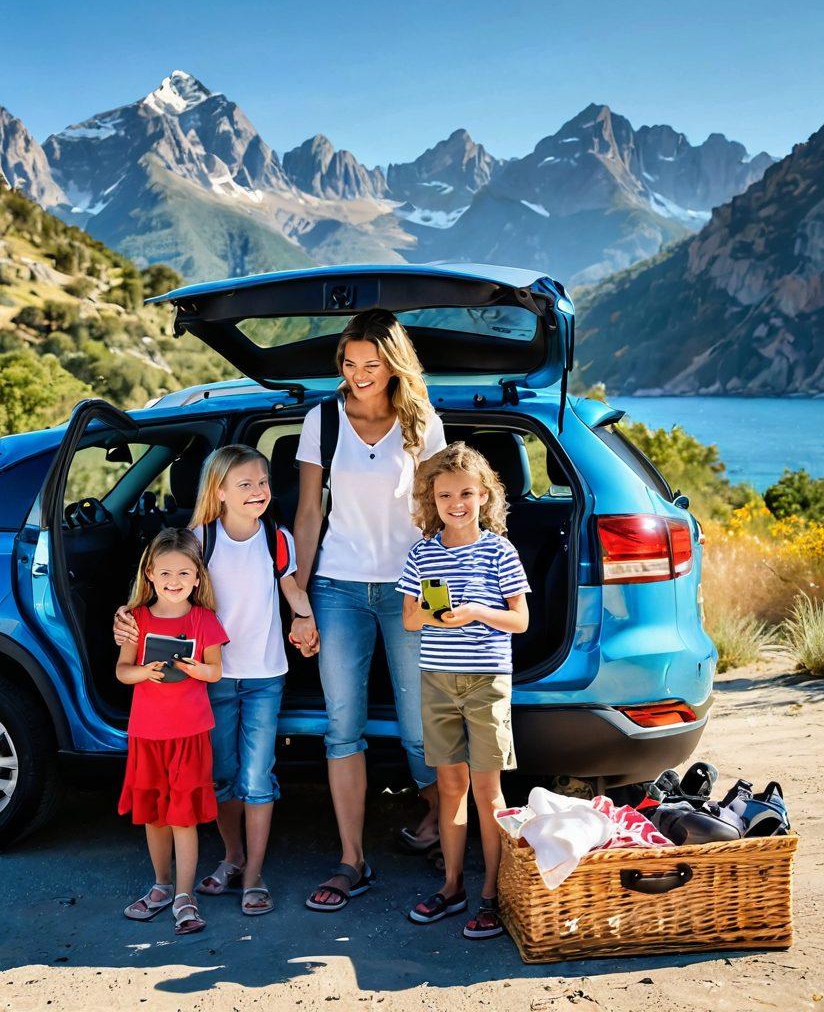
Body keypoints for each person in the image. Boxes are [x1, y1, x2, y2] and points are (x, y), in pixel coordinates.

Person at [115, 445, 318, 916]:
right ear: (219, 491)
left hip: (266, 673)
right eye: (244, 484)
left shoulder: (277, 538)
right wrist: (124, 619)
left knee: (257, 776)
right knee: (222, 775)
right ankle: (232, 857)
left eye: (262, 482)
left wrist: (304, 617)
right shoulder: (199, 539)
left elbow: (291, 588)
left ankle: (254, 876)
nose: (257, 491)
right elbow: (161, 584)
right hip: (212, 676)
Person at [295, 308, 447, 913]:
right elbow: (308, 515)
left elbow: (440, 523)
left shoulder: (423, 426)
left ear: (394, 363)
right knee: (342, 729)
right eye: (350, 364)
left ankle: (438, 821)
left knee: (419, 727)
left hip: (409, 591)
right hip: (336, 589)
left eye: (372, 363)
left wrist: (439, 607)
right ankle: (351, 859)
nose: (359, 375)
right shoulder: (322, 421)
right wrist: (300, 600)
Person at [397, 442, 530, 940]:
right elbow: (411, 619)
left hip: (487, 684)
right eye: (446, 494)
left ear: (484, 495)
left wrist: (475, 611)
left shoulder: (499, 550)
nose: (456, 503)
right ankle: (452, 887)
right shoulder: (423, 552)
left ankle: (491, 894)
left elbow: (520, 620)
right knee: (450, 787)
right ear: (432, 499)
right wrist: (439, 614)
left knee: (488, 792)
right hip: (437, 682)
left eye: (467, 493)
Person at [115, 528, 228, 935]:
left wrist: (199, 670)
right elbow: (122, 671)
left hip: (190, 733)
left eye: (183, 573)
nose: (174, 581)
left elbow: (215, 670)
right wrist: (144, 671)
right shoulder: (138, 620)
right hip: (147, 733)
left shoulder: (204, 620)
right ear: (149, 574)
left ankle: (185, 896)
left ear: (198, 577)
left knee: (183, 817)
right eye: (165, 573)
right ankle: (161, 885)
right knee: (154, 816)